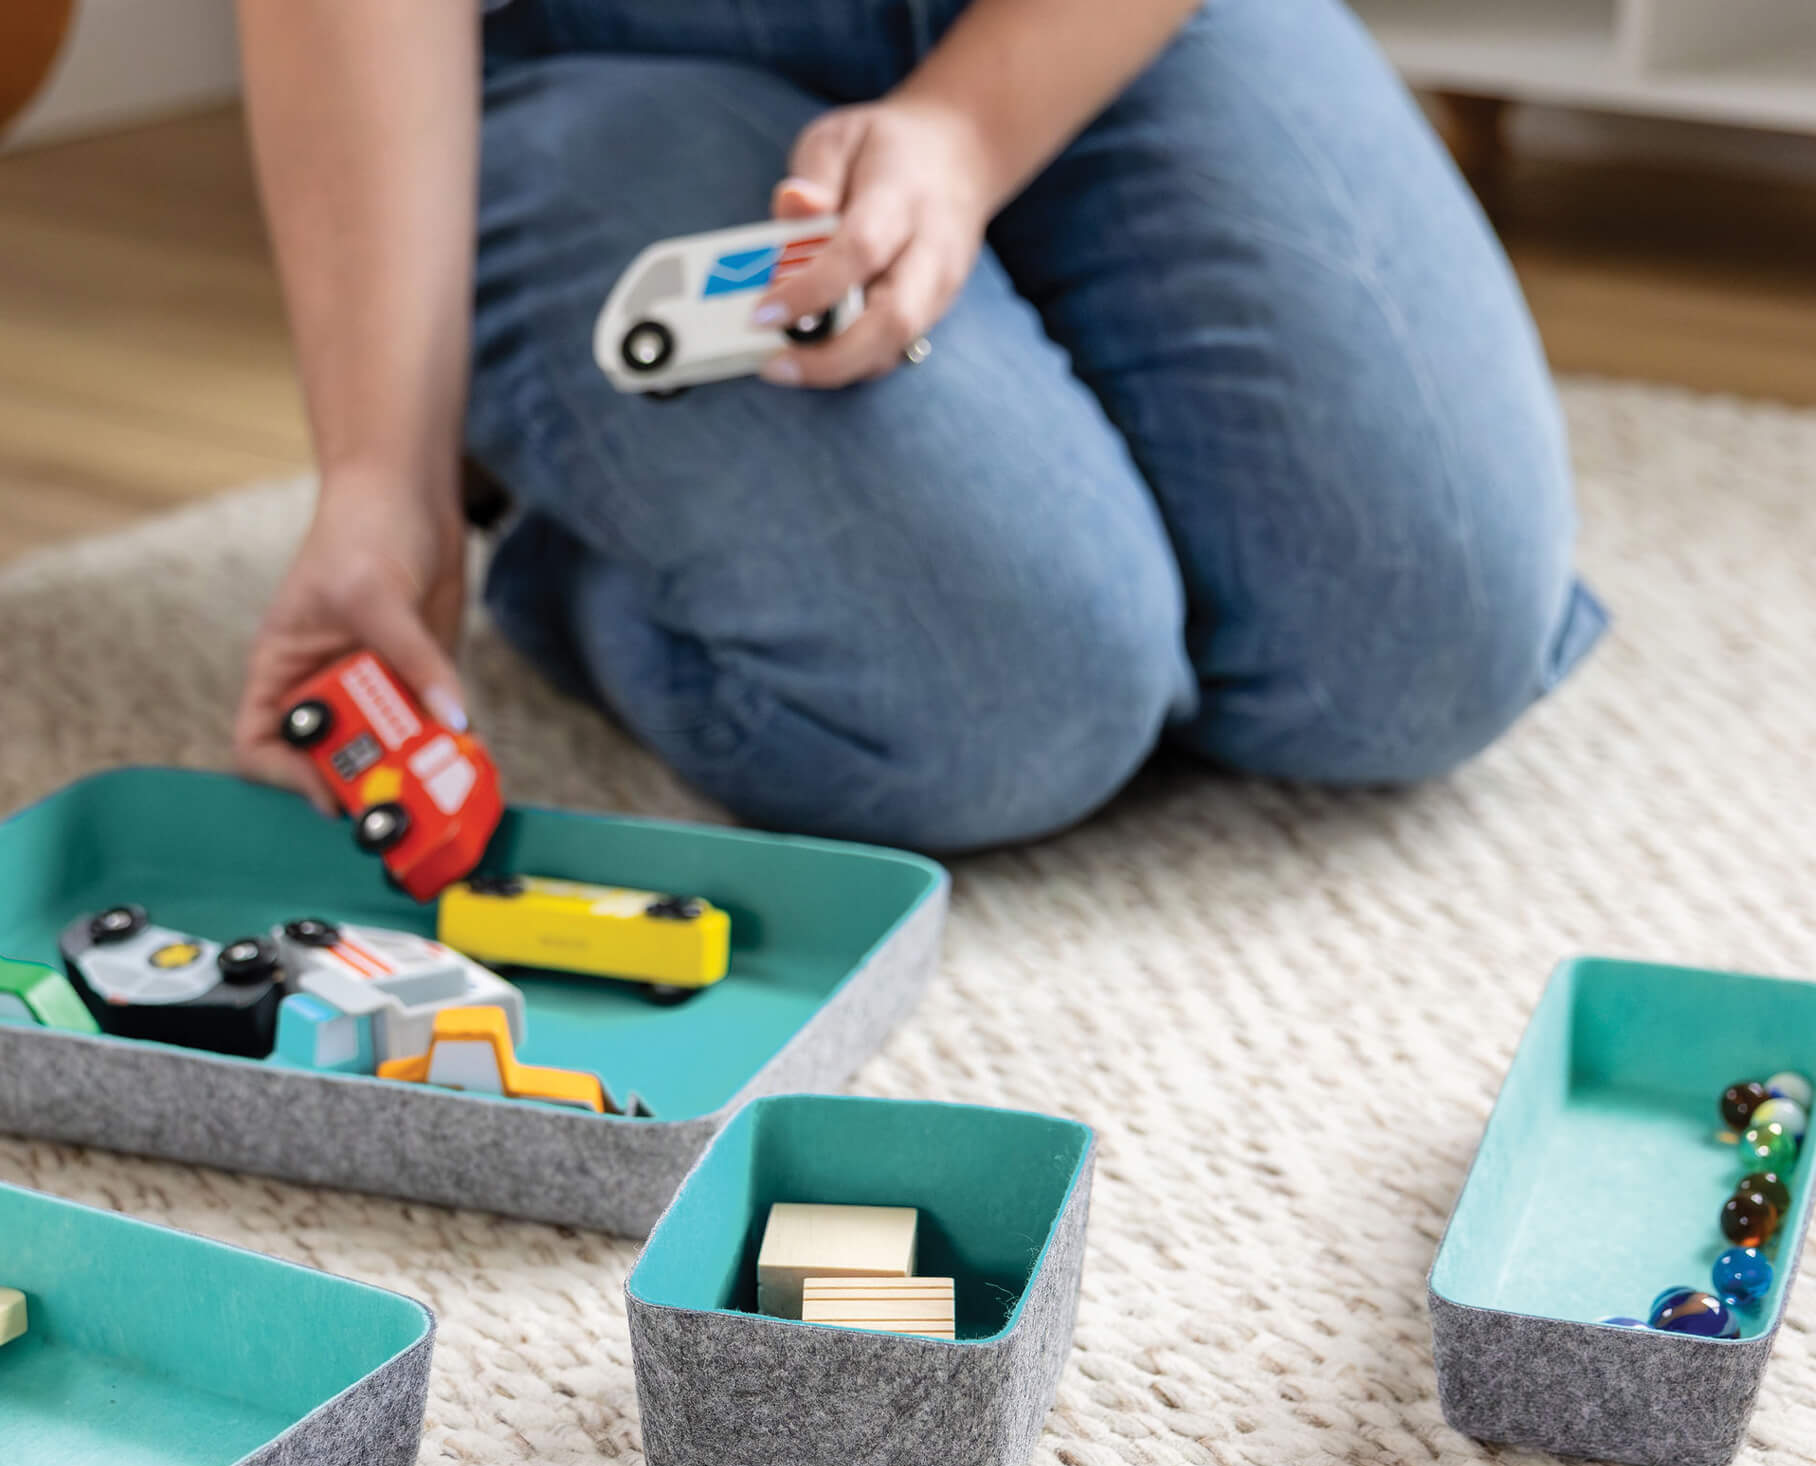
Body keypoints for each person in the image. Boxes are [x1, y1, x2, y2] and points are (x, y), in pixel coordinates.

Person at [233, 0, 1605, 856]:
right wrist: (379, 473)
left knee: (1428, 643)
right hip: (617, 46)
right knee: (1009, 709)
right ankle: (567, 539)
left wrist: (962, 132)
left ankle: (1024, 442)